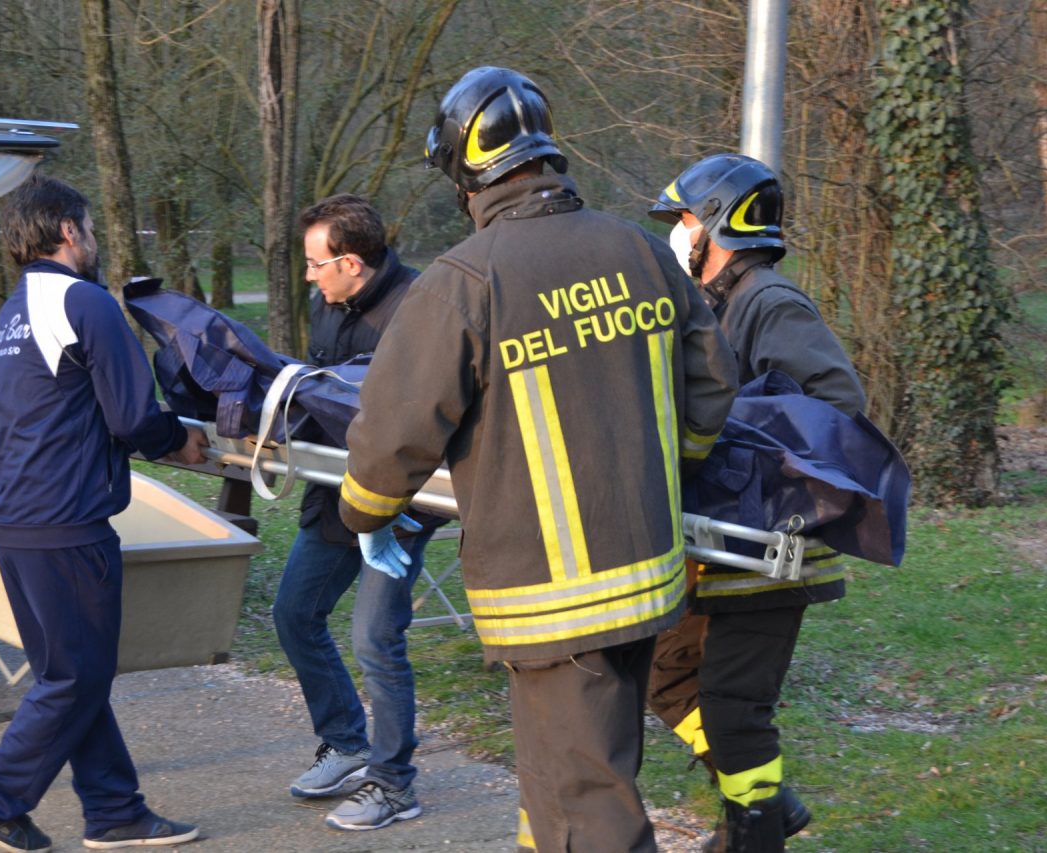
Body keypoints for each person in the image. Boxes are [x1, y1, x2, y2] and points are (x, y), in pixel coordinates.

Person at [334, 66, 739, 852]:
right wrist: (666, 467)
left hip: (552, 603)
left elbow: (391, 437)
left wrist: (362, 514)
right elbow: (710, 393)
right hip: (648, 576)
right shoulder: (641, 252)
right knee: (568, 780)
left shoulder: (465, 281)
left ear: (463, 165)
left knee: (586, 809)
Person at [0, 174, 207, 852]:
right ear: (68, 231)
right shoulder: (85, 303)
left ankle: (115, 810)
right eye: (88, 230)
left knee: (70, 672)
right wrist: (181, 438)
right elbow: (131, 417)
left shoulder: (11, 312)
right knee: (76, 674)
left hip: (12, 516)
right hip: (63, 520)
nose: (93, 242)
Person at [646, 153, 867, 853]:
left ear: (717, 223)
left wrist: (732, 428)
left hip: (772, 550)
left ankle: (754, 832)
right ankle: (767, 806)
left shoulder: (771, 301)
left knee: (737, 708)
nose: (678, 233)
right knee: (667, 672)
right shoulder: (717, 304)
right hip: (721, 546)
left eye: (683, 218)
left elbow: (839, 405)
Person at [271, 193, 442, 832]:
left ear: (351, 262)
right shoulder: (329, 304)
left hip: (400, 504)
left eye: (316, 264)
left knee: (376, 636)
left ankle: (395, 785)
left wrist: (384, 511)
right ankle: (346, 743)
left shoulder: (420, 311)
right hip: (335, 493)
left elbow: (421, 425)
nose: (309, 277)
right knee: (293, 613)